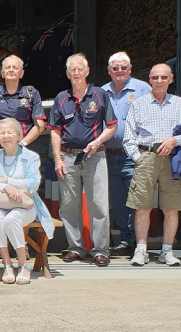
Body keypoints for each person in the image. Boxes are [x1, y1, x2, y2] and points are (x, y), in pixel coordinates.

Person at [124, 63, 181, 267]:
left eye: (163, 77)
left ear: (171, 78)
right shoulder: (138, 104)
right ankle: (141, 250)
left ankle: (167, 250)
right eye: (155, 77)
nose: (159, 81)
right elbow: (129, 136)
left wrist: (175, 141)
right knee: (141, 207)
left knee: (171, 208)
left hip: (173, 159)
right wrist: (138, 159)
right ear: (149, 79)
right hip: (146, 157)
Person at [49, 53, 118, 266]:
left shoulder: (100, 95)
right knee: (69, 205)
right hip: (68, 158)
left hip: (95, 156)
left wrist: (97, 142)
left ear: (87, 71)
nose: (77, 73)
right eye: (73, 70)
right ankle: (75, 248)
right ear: (68, 73)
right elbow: (54, 131)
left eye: (80, 69)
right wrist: (58, 159)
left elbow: (112, 126)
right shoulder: (61, 98)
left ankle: (100, 250)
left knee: (98, 204)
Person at [0, 118, 56, 285]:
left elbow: (33, 183)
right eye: (2, 133)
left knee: (12, 219)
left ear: (18, 134)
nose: (6, 136)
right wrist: (7, 187)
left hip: (25, 204)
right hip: (0, 202)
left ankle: (23, 264)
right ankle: (7, 263)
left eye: (10, 132)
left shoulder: (30, 156)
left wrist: (5, 180)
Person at [101, 51, 152, 257]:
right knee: (117, 201)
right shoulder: (101, 92)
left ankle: (137, 242)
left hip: (134, 155)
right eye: (115, 68)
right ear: (109, 70)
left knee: (137, 200)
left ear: (130, 69)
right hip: (108, 155)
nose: (120, 71)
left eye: (124, 67)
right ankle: (125, 239)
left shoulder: (143, 89)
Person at [0, 55, 46, 164]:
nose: (11, 70)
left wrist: (21, 145)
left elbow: (40, 125)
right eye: (8, 67)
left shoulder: (32, 94)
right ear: (2, 72)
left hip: (24, 152)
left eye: (14, 67)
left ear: (21, 73)